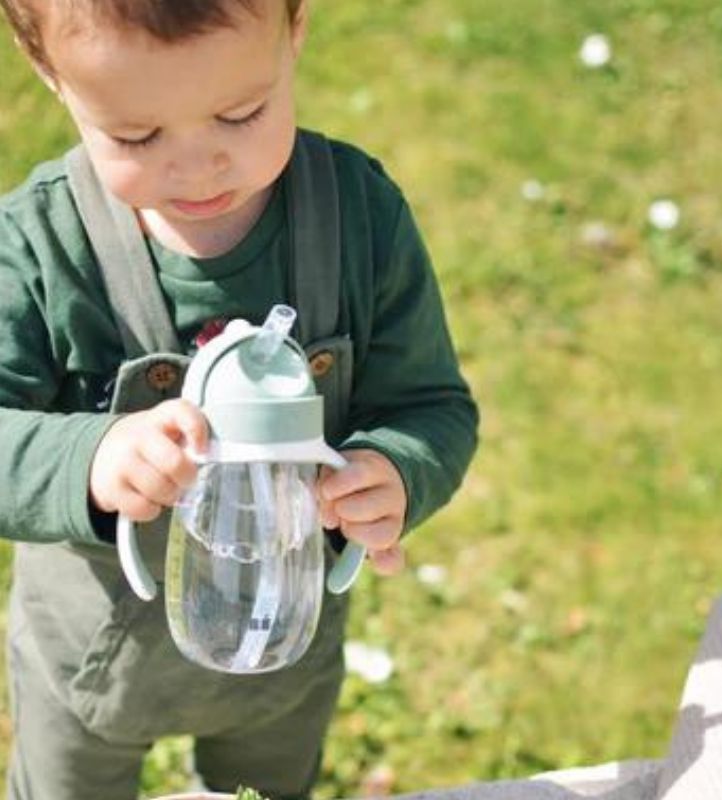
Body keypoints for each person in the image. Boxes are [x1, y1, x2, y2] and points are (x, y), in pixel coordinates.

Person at [0, 0, 479, 798]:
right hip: (92, 663)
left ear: (295, 30)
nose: (197, 169)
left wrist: (396, 470)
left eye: (240, 114)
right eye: (137, 137)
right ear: (51, 72)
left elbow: (432, 406)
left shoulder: (357, 219)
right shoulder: (39, 247)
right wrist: (91, 458)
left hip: (280, 656)